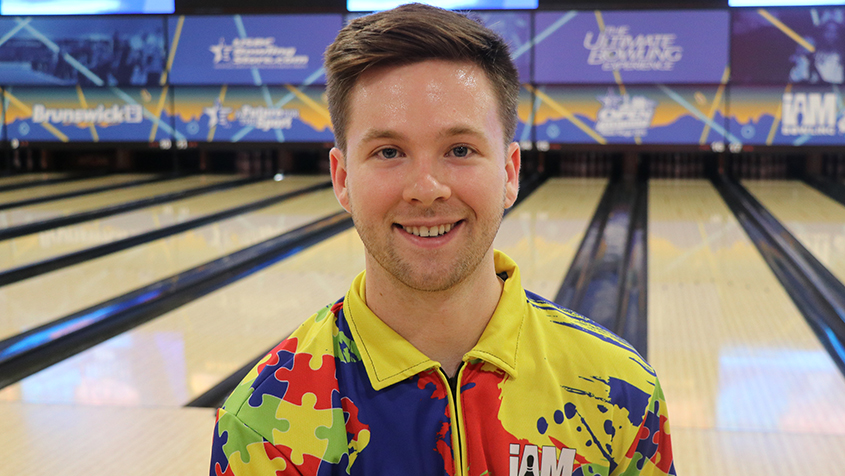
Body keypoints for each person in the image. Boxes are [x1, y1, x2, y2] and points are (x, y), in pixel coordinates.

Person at [209, 4, 675, 476]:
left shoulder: (622, 394)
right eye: (389, 152)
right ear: (343, 177)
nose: (426, 189)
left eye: (460, 150)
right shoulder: (264, 423)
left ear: (510, 173)